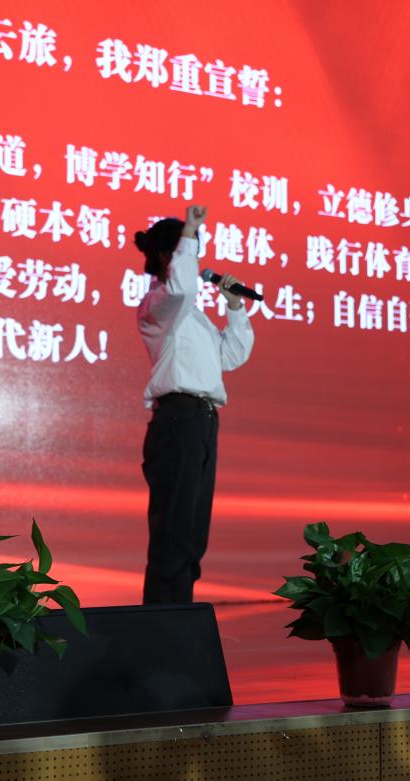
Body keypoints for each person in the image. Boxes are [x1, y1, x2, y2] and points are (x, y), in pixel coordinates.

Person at [133, 204, 255, 604]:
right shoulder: (158, 305)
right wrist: (189, 230)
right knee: (174, 532)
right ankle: (162, 624)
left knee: (192, 533)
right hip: (177, 420)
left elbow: (232, 356)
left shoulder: (194, 318)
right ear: (167, 256)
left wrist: (234, 306)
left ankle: (178, 616)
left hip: (202, 421)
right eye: (190, 252)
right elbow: (183, 287)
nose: (197, 262)